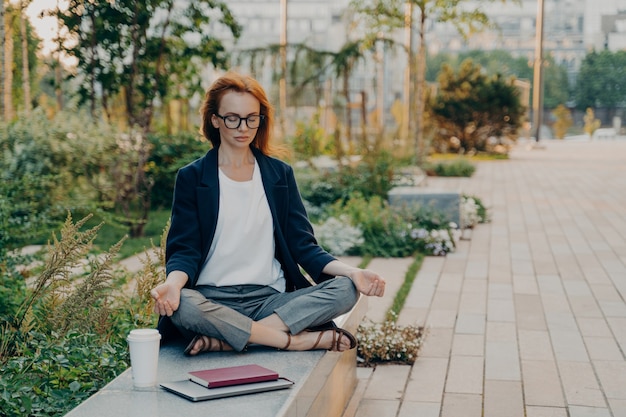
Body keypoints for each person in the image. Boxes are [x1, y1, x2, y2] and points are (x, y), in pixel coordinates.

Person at [150, 71, 386, 356]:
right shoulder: (192, 177)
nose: (243, 127)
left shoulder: (279, 175)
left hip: (269, 300)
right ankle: (290, 340)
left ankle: (230, 338)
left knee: (346, 290)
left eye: (252, 117)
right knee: (184, 305)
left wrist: (354, 272)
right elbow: (184, 249)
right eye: (232, 118)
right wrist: (172, 285)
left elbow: (303, 246)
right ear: (215, 120)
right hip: (211, 300)